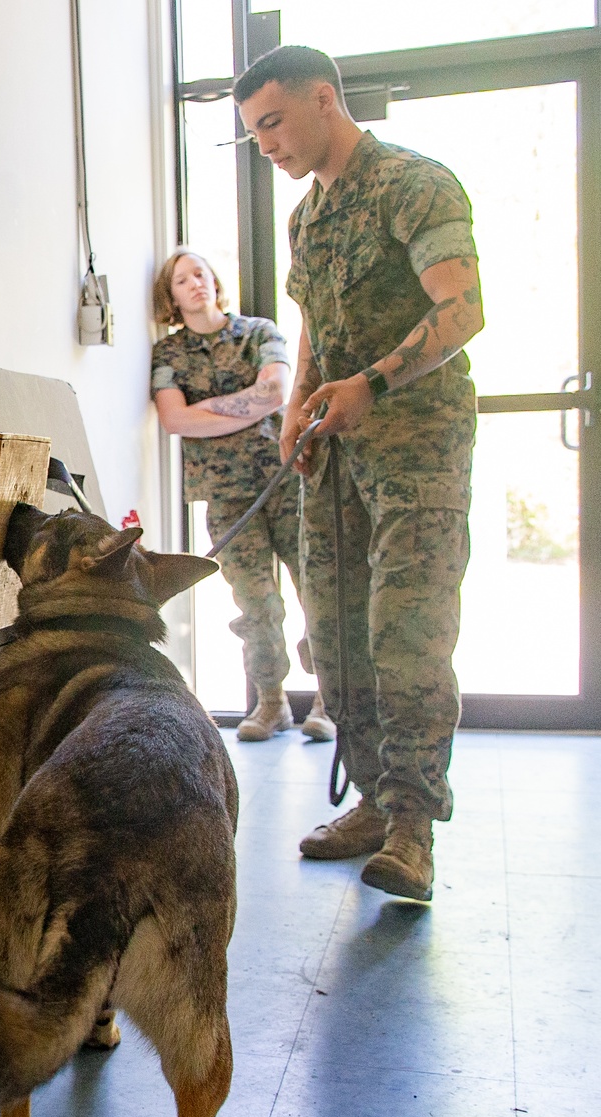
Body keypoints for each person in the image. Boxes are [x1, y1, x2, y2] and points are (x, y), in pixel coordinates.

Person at [234, 46, 484, 899]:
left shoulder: (417, 185)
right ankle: (375, 802)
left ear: (324, 101)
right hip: (333, 457)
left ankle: (413, 827)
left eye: (273, 122)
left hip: (417, 447)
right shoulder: (309, 218)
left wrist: (369, 384)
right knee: (335, 639)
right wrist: (298, 408)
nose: (265, 144)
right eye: (252, 133)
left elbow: (463, 309)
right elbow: (313, 327)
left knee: (406, 634)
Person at [150, 247, 335, 742]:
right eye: (182, 280)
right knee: (256, 604)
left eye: (201, 274)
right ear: (170, 296)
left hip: (286, 479)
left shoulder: (259, 332)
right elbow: (174, 419)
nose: (195, 284)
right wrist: (242, 405)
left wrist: (206, 409)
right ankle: (271, 704)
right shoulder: (168, 354)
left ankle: (328, 701)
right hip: (227, 496)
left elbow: (275, 392)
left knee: (316, 589)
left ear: (214, 281)